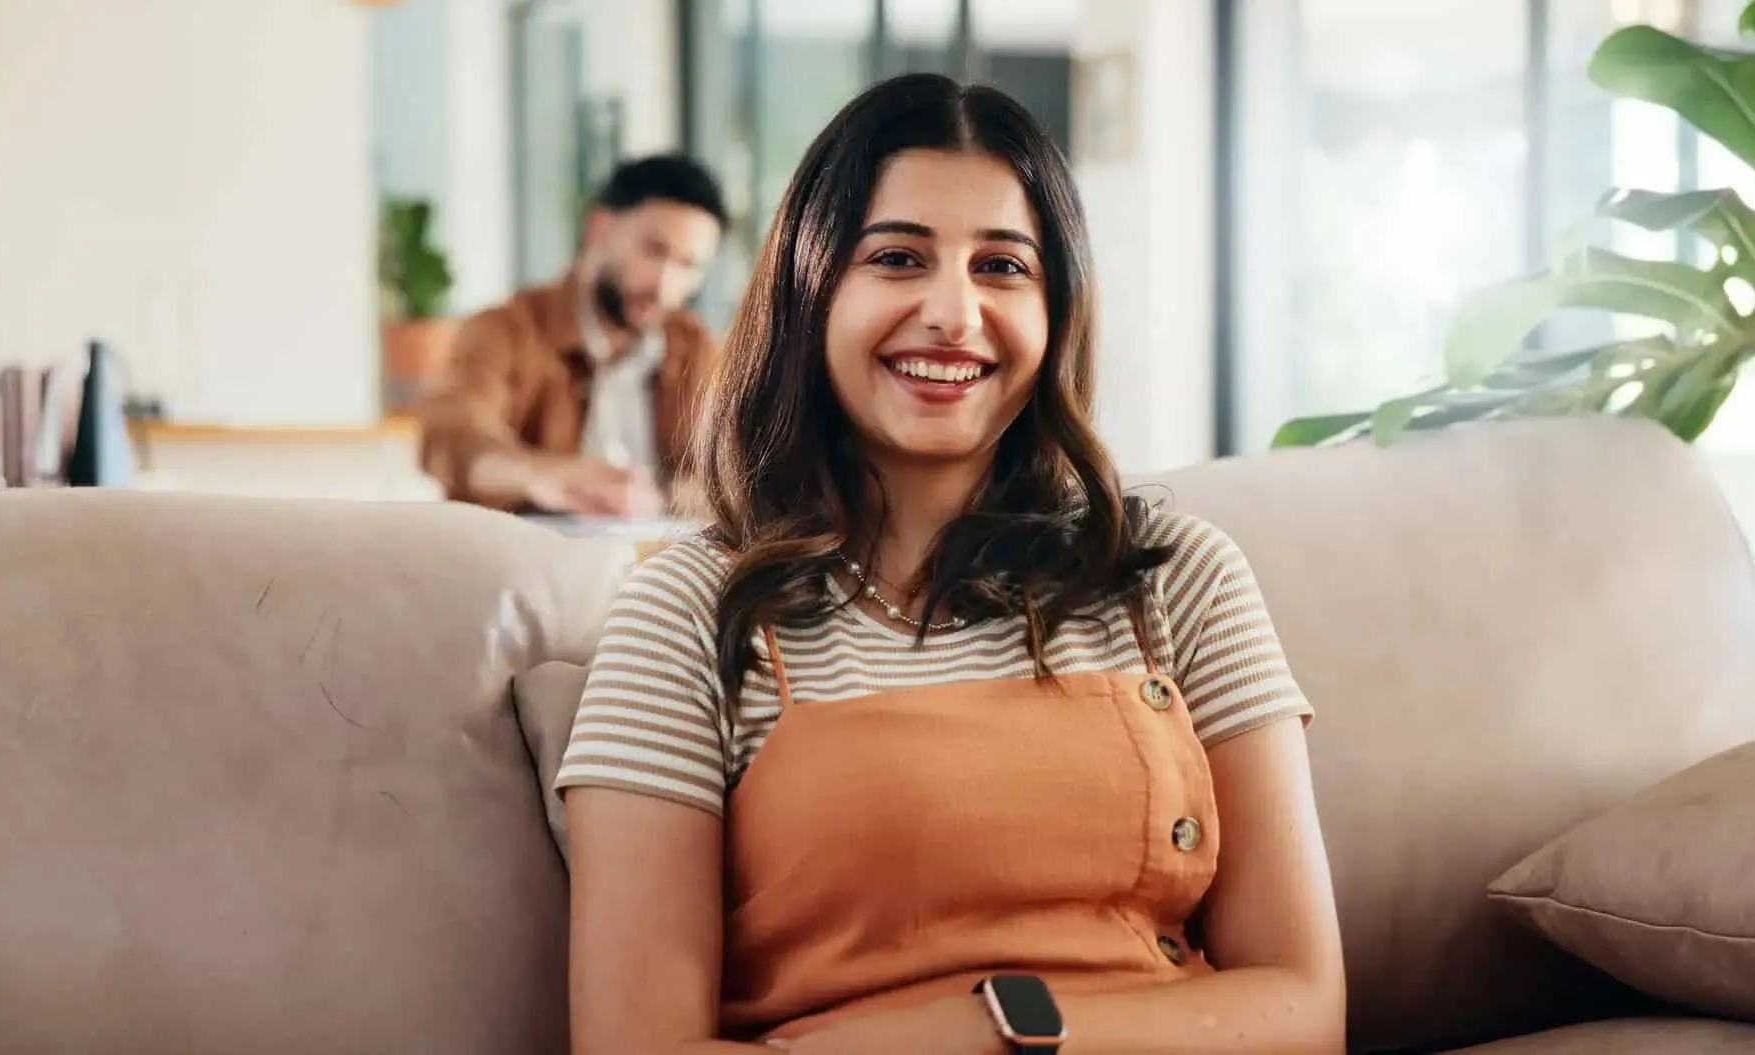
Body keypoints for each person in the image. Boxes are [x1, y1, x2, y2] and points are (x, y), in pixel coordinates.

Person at [556, 73, 1345, 1054]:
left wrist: (981, 1031)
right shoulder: (687, 610)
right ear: (809, 288)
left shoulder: (1171, 573)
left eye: (1002, 267)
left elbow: (1303, 1009)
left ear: (1056, 308)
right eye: (896, 257)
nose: (952, 313)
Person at [416, 153, 727, 516]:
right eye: (653, 250)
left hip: (651, 564)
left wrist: (668, 495)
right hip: (531, 562)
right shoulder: (504, 331)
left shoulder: (693, 347)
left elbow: (732, 470)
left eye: (687, 265)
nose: (664, 285)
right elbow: (451, 440)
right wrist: (546, 476)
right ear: (599, 228)